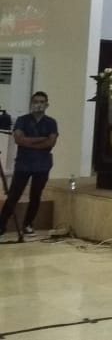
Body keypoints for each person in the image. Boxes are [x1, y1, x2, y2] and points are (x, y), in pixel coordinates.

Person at [0, 91, 58, 237]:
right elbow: (18, 139)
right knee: (14, 194)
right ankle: (1, 224)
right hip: (23, 163)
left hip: (42, 165)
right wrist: (41, 139)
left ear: (47, 105)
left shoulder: (51, 122)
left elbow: (51, 142)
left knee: (36, 195)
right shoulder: (22, 120)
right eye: (36, 101)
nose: (38, 105)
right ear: (31, 104)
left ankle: (28, 224)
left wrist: (29, 142)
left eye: (42, 102)